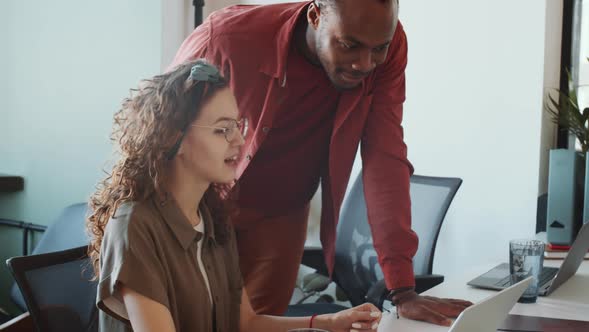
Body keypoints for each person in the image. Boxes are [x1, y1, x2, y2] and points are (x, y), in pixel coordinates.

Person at [169, 0, 473, 326]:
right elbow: (163, 138)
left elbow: (386, 157)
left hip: (281, 214)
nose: (364, 64)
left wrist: (402, 290)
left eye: (378, 49)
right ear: (315, 15)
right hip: (204, 207)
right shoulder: (225, 40)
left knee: (257, 323)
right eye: (349, 45)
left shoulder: (388, 44)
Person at [87, 60, 382, 332]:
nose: (240, 141)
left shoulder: (212, 215)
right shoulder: (134, 224)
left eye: (238, 126)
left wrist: (331, 322)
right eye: (222, 130)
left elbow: (245, 322)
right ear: (171, 137)